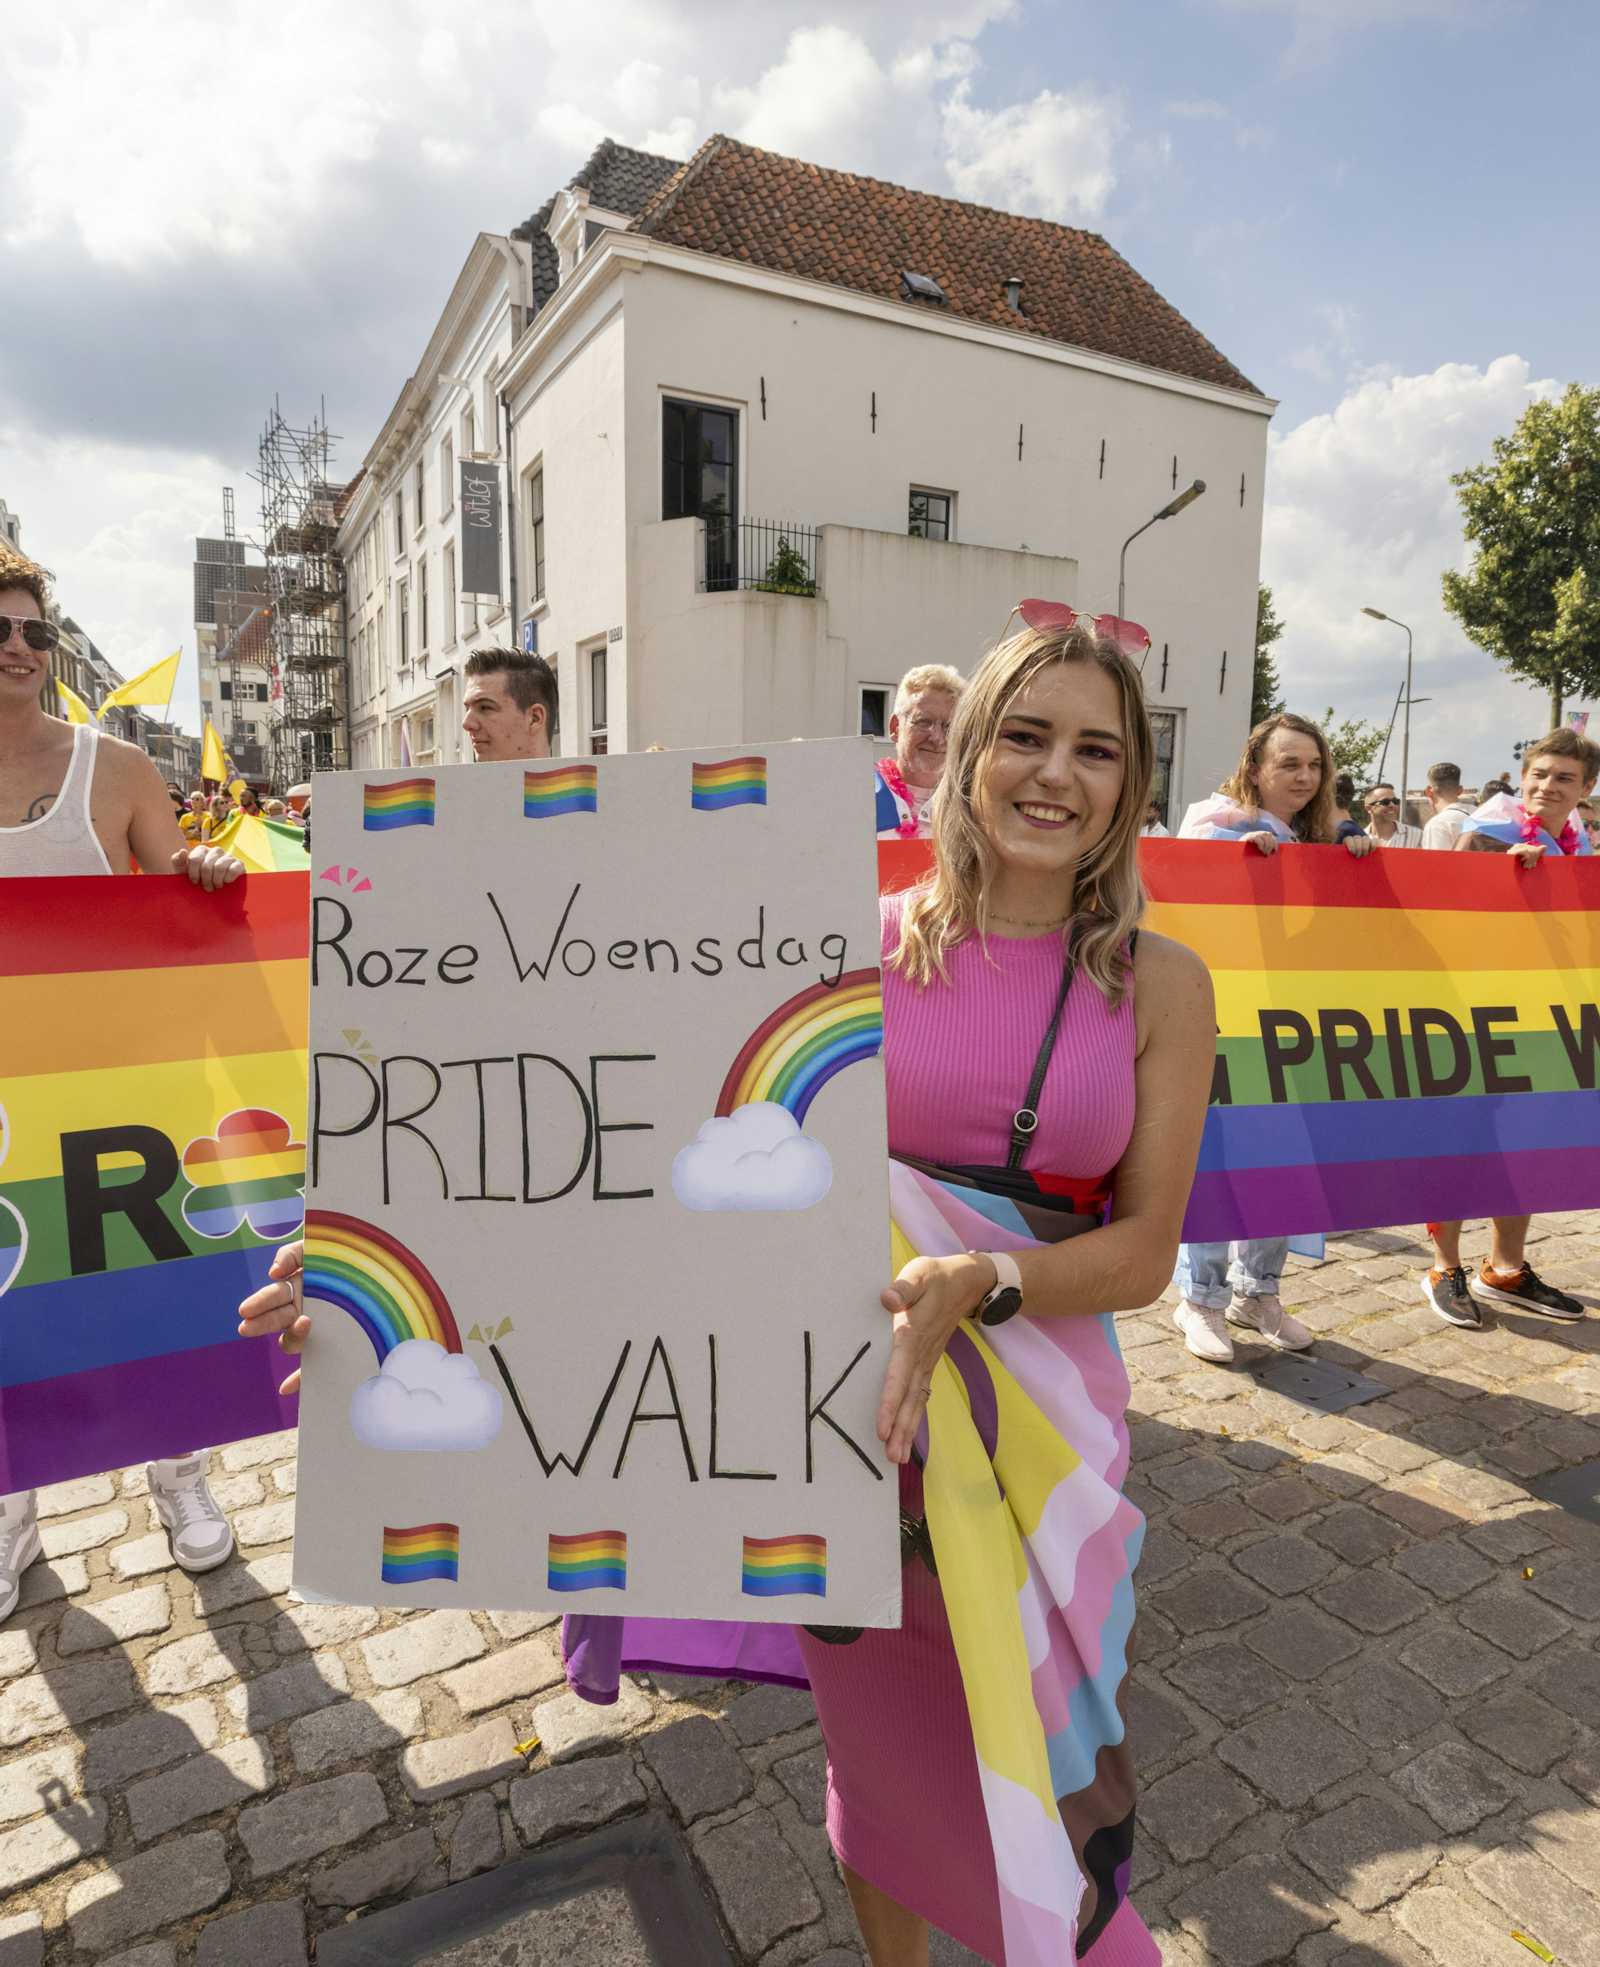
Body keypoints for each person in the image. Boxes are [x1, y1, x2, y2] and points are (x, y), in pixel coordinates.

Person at [242, 617, 1216, 1965]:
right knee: (881, 1765)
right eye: (1025, 735)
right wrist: (380, 1257)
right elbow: (624, 1153)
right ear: (968, 759)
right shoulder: (843, 942)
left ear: (1134, 779)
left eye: (1096, 748)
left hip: (1040, 1449)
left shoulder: (1161, 983)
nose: (1056, 773)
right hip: (837, 1431)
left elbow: (1148, 1247)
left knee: (1048, 1775)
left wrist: (988, 1277)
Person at [0, 547, 246, 1622]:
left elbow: (177, 905)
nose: (16, 646)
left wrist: (204, 876)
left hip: (113, 1087)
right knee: (11, 1301)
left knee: (143, 1275)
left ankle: (178, 1466)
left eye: (33, 631)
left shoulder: (120, 771)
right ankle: (13, 1504)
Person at [1172, 713, 1375, 1363]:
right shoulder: (1216, 821)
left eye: (1314, 765)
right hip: (1222, 1017)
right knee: (1218, 1157)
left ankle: (1256, 1291)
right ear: (1254, 767)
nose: (1303, 776)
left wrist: (1352, 847)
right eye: (1288, 763)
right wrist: (1235, 867)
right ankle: (1198, 1298)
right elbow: (1180, 897)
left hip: (1294, 1020)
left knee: (1286, 1158)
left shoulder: (1320, 837)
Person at [1419, 727, 1600, 1327]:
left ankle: (1506, 1266)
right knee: (1462, 1144)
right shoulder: (1485, 835)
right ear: (1523, 779)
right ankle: (1445, 1266)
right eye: (1540, 775)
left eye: (1564, 778)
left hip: (1547, 1019)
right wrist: (1505, 880)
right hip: (1477, 1018)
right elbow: (1446, 921)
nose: (1548, 786)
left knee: (1526, 1146)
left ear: (1587, 789)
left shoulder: (1579, 848)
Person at [874, 662, 965, 838]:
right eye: (924, 722)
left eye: (950, 727)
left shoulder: (974, 812)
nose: (937, 738)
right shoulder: (860, 800)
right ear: (895, 727)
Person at [461, 646, 558, 761]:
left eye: (485, 707)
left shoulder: (582, 778)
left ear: (534, 718)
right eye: (467, 709)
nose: (466, 723)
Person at [1420, 762, 1476, 850]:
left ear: (1429, 791)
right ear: (1460, 790)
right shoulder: (1479, 815)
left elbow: (1436, 863)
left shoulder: (1437, 824)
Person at [1364, 781, 1423, 848]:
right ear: (1368, 808)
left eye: (1395, 801)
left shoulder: (1417, 836)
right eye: (1385, 802)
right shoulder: (1360, 838)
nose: (1392, 805)